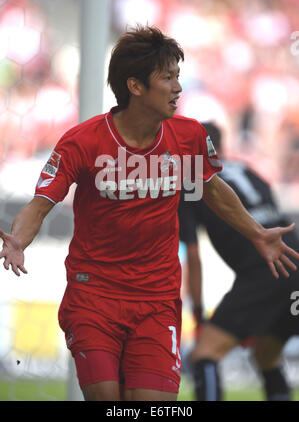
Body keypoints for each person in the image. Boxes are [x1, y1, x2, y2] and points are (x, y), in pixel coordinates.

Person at [0, 26, 298, 402]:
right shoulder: (83, 141)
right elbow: (40, 203)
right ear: (136, 86)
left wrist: (256, 232)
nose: (178, 87)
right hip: (95, 294)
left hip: (156, 299)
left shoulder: (188, 137)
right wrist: (19, 240)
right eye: (167, 78)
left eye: (178, 76)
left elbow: (213, 190)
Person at [178, 121, 299, 401]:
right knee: (266, 353)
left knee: (204, 353)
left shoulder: (194, 183)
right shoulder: (248, 171)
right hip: (294, 264)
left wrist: (198, 312)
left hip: (266, 272)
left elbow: (193, 257)